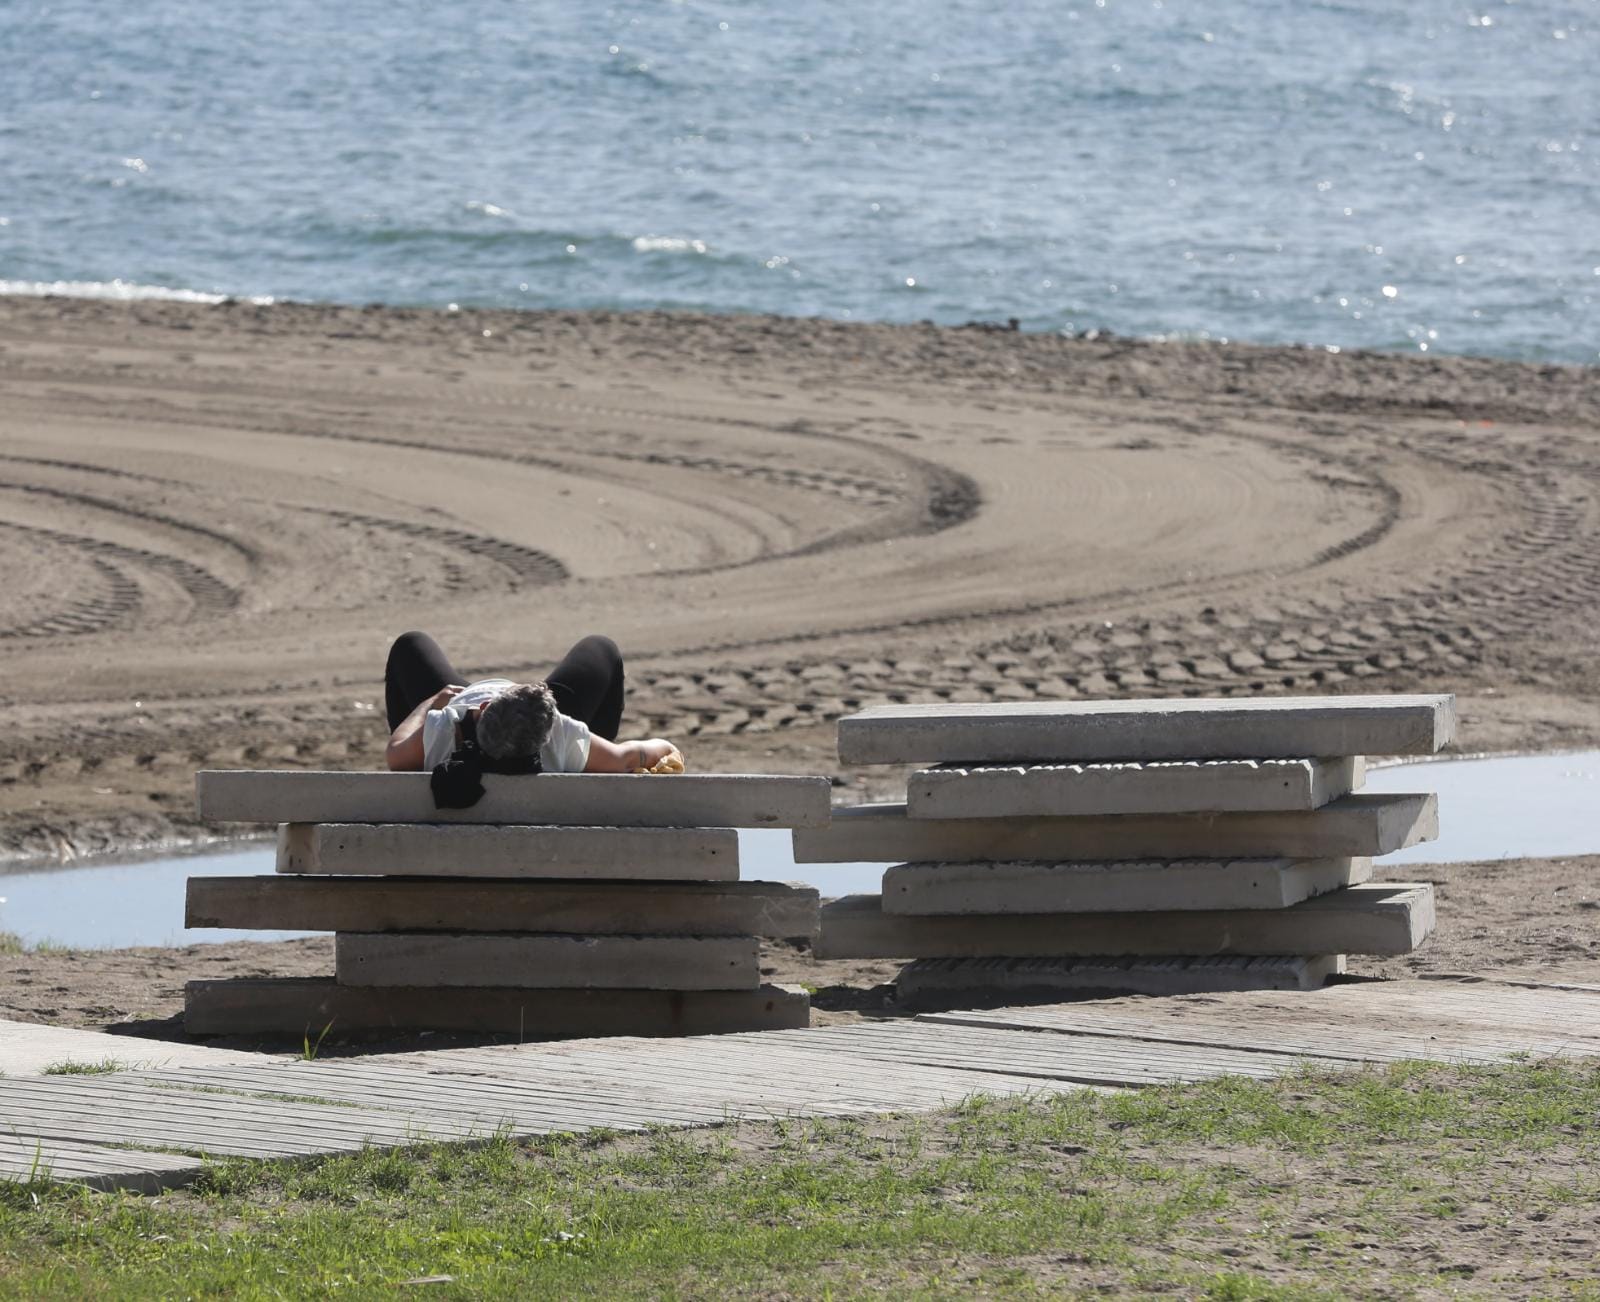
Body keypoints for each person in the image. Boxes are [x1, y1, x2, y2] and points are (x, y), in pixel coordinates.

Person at [382, 631, 680, 775]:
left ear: (483, 709)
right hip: (552, 754)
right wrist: (668, 748)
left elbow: (396, 752)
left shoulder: (446, 727)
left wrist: (431, 703)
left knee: (410, 644)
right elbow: (630, 757)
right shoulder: (564, 735)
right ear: (550, 725)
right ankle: (589, 779)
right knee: (603, 648)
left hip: (449, 764)